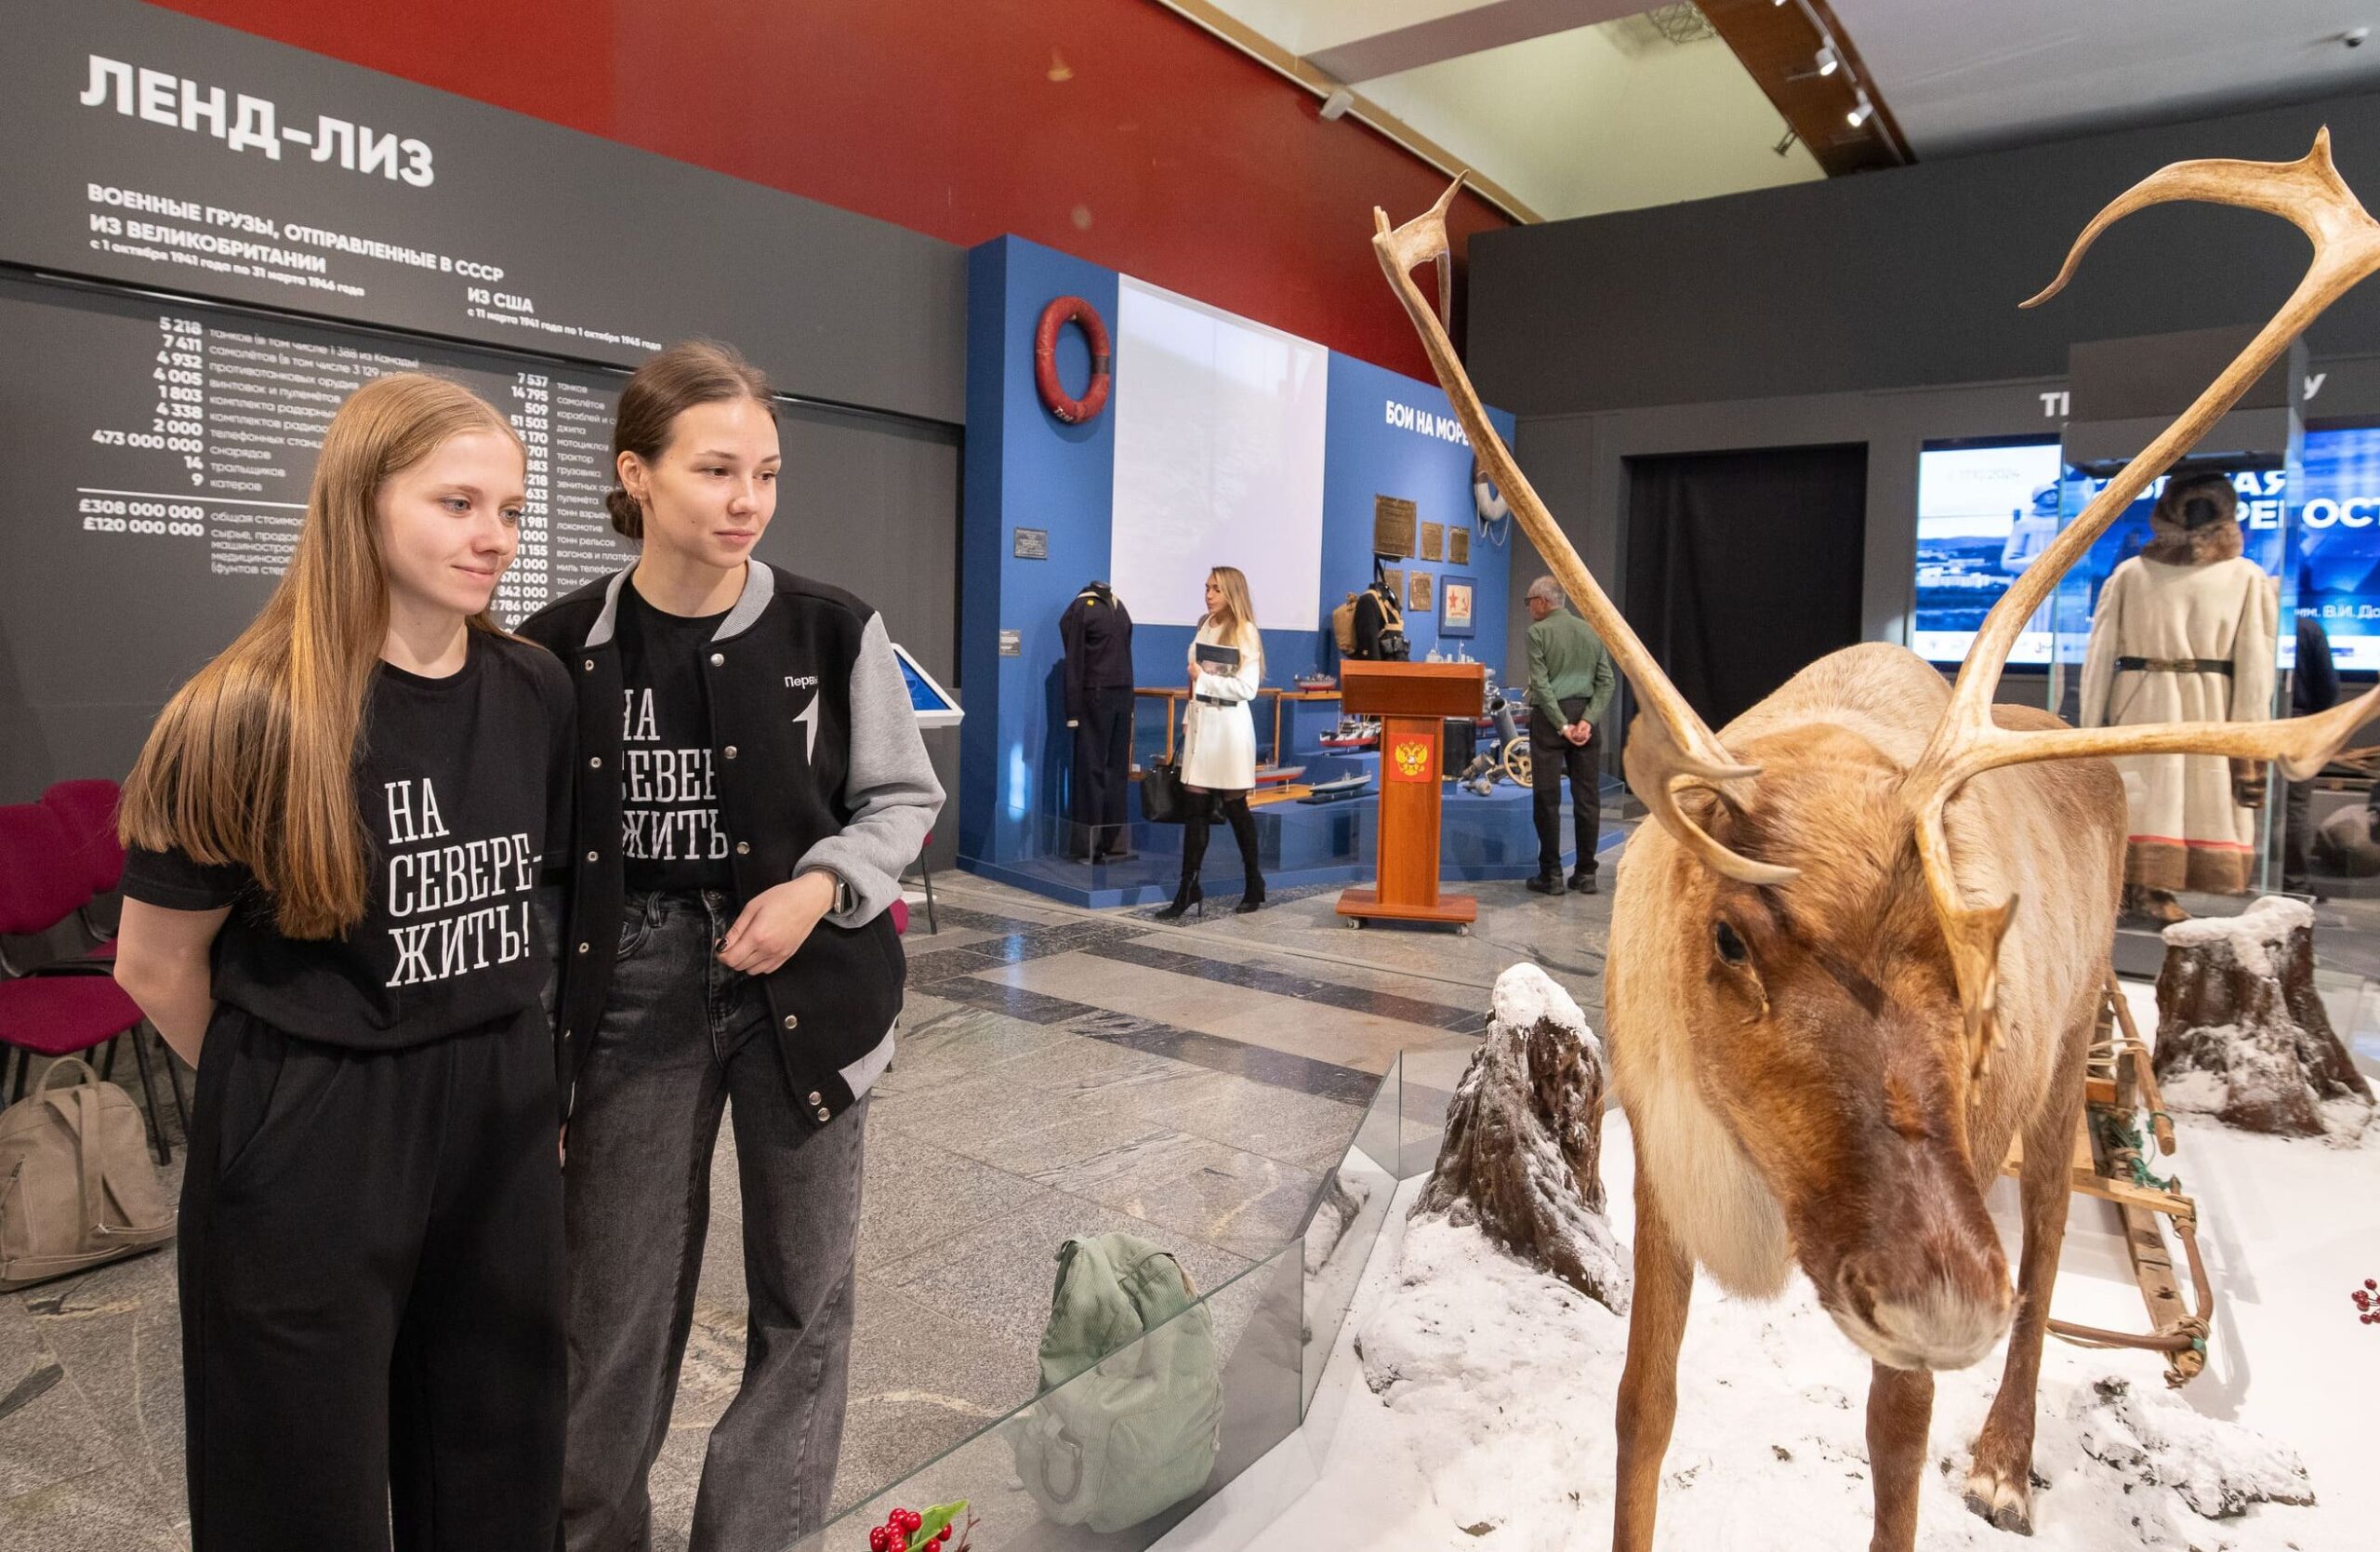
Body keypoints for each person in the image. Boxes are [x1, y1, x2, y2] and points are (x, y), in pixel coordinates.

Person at [110, 373, 575, 1552]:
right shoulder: (247, 710)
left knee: (496, 1438)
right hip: (318, 1109)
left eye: (510, 510)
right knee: (294, 1470)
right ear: (361, 502)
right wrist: (288, 1102)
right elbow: (155, 965)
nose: (493, 538)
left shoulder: (532, 687)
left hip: (498, 1103)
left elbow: (541, 897)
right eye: (457, 501)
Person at [515, 341, 943, 1552]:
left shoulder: (831, 627)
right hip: (625, 988)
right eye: (716, 470)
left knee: (806, 1303)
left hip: (807, 983)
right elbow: (535, 872)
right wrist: (540, 1055)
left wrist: (821, 888)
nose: (747, 498)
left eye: (765, 471)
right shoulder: (557, 650)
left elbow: (901, 798)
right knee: (612, 1311)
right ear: (636, 475)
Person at [1158, 566, 1265, 919]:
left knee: (1235, 806)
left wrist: (1205, 679)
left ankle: (1254, 882)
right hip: (1202, 725)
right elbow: (1194, 680)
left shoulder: (1245, 631)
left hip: (1229, 728)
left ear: (1231, 592)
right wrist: (1189, 716)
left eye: (1216, 589)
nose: (1208, 594)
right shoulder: (1205, 623)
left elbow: (1247, 689)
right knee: (1195, 808)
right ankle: (1188, 887)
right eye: (1206, 587)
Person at [1523, 574, 1615, 895]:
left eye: (1529, 601)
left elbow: (1541, 685)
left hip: (1551, 722)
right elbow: (1607, 682)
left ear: (1543, 602)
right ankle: (1586, 873)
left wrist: (1562, 724)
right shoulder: (1591, 631)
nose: (1528, 608)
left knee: (1547, 798)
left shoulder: (1537, 633)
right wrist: (1587, 720)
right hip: (1586, 719)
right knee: (1588, 798)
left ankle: (1552, 876)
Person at [2283, 602, 2340, 895]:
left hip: (2255, 723)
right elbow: (2328, 688)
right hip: (2300, 728)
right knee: (2295, 807)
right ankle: (2294, 882)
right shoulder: (2309, 629)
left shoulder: (2258, 627)